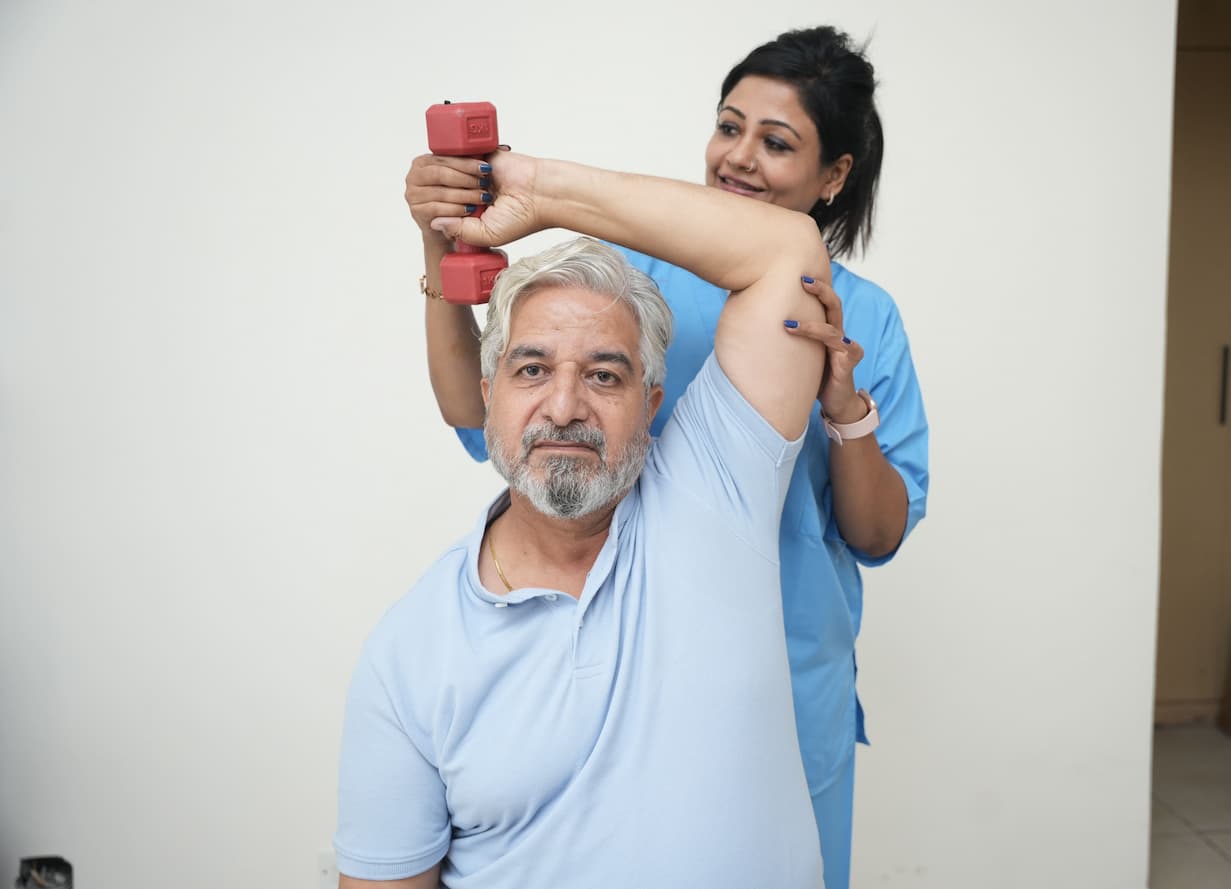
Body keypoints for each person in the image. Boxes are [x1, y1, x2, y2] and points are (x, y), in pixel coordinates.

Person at [408, 26, 929, 889]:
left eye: (776, 141)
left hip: (793, 684)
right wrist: (440, 243)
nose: (739, 159)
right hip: (622, 667)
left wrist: (845, 412)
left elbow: (876, 533)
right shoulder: (624, 278)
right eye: (729, 127)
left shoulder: (863, 318)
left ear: (834, 176)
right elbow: (478, 412)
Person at [337, 147, 833, 887]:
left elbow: (786, 250)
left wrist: (540, 191)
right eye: (531, 369)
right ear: (489, 390)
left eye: (604, 374)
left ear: (652, 403)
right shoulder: (408, 653)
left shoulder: (716, 488)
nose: (565, 407)